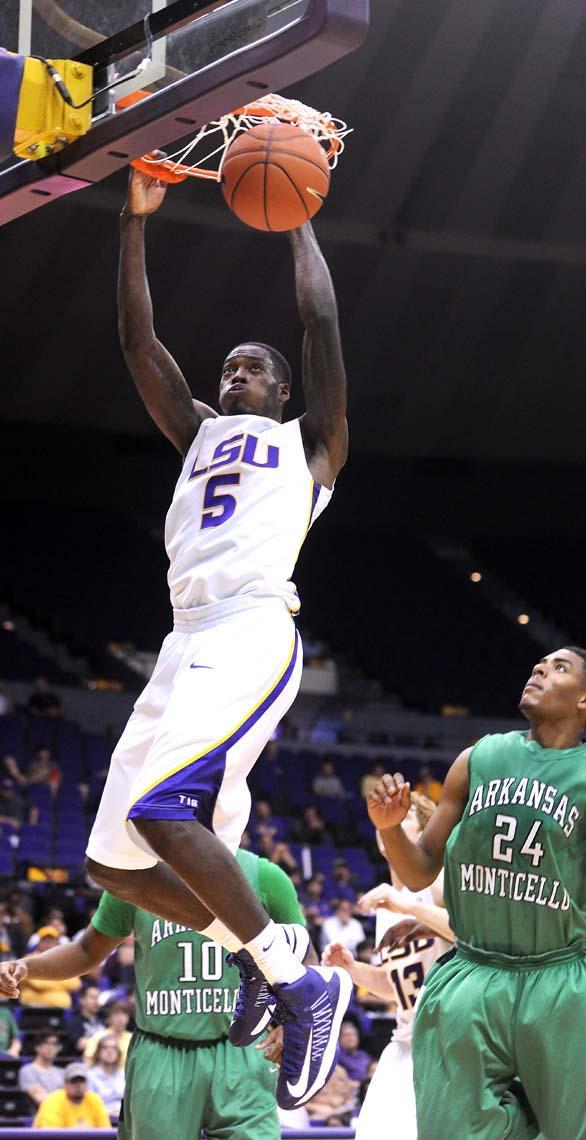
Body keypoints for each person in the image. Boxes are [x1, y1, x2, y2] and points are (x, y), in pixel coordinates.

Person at [82, 162, 352, 1108]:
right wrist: (134, 219)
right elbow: (135, 339)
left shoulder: (311, 445)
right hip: (182, 639)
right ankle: (256, 956)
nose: (235, 373)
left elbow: (319, 325)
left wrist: (297, 220)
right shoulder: (194, 430)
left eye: (252, 367)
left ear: (281, 392)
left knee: (165, 813)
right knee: (110, 861)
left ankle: (300, 981)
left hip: (248, 631)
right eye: (229, 365)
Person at [368, 646, 586, 1139]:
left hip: (559, 979)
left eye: (558, 668)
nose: (539, 670)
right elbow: (421, 870)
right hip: (473, 972)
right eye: (538, 665)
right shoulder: (478, 757)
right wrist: (389, 830)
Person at [0, 848, 313, 1140]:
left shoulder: (264, 876)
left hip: (243, 1050)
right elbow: (86, 950)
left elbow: (305, 957)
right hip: (161, 1050)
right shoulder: (135, 876)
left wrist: (293, 1021)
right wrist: (27, 967)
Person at [324, 792, 453, 1140]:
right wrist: (353, 967)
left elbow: (475, 934)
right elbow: (396, 986)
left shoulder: (438, 884)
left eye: (406, 813)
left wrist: (410, 907)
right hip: (405, 1042)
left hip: (447, 1044)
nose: (392, 817)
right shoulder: (383, 906)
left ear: (425, 833)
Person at [33, 1061, 110, 1129]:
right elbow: (51, 1136)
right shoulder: (53, 1101)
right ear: (65, 1084)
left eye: (81, 1081)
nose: (78, 1085)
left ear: (87, 1084)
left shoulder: (95, 1100)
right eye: (73, 1081)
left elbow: (106, 1131)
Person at [18, 1030, 64, 1107]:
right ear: (37, 1047)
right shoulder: (27, 1071)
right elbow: (41, 1099)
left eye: (54, 1044)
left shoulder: (62, 1072)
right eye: (47, 1043)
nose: (51, 1047)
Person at [84, 1001, 132, 1068]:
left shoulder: (133, 1039)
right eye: (116, 1014)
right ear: (110, 1017)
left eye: (124, 1014)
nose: (120, 1018)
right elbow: (88, 1061)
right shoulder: (98, 1036)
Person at [87, 1035, 125, 1117]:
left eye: (114, 1048)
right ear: (98, 1052)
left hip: (124, 1123)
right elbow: (88, 1106)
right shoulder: (89, 1076)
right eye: (105, 1048)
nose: (110, 1051)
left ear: (118, 1053)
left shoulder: (124, 1076)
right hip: (100, 1123)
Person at [66, 983, 104, 1054]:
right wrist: (103, 1041)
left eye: (98, 998)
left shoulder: (103, 1020)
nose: (96, 1001)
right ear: (82, 1000)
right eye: (92, 997)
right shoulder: (75, 1022)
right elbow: (80, 1045)